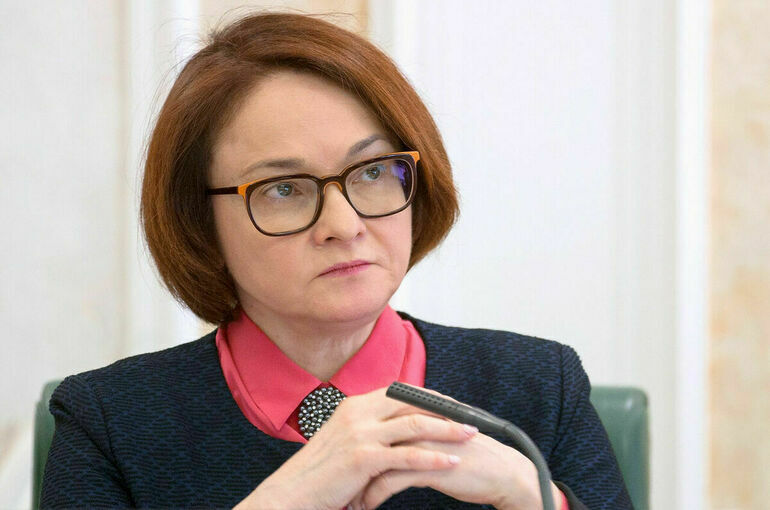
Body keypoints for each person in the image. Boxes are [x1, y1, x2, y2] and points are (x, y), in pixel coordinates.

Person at [41, 12, 633, 510]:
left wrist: (533, 499)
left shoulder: (539, 388)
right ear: (202, 223)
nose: (344, 225)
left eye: (372, 173)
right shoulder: (109, 424)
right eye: (283, 189)